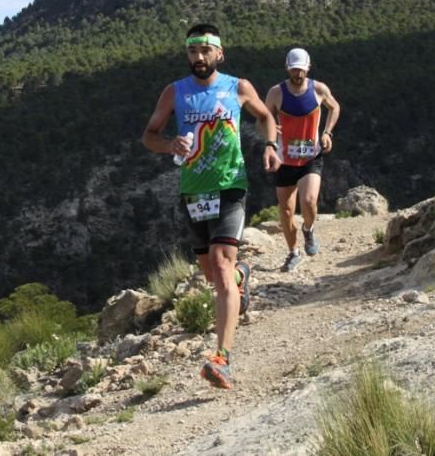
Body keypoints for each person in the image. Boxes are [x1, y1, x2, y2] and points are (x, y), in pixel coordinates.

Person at [142, 23, 282, 389]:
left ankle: (222, 358)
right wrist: (169, 144)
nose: (199, 57)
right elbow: (149, 135)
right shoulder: (174, 93)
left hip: (230, 186)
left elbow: (266, 117)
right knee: (213, 274)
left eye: (206, 50)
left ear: (220, 53)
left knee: (220, 264)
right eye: (193, 51)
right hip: (193, 191)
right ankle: (240, 279)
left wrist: (270, 146)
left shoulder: (237, 87)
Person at [264, 48, 341, 272]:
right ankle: (293, 252)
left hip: (310, 156)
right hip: (284, 159)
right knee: (286, 211)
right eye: (294, 70)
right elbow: (263, 116)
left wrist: (327, 133)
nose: (298, 74)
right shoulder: (276, 93)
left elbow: (334, 107)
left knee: (308, 201)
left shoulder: (319, 89)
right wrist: (269, 128)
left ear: (308, 68)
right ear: (287, 68)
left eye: (301, 70)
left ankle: (308, 229)